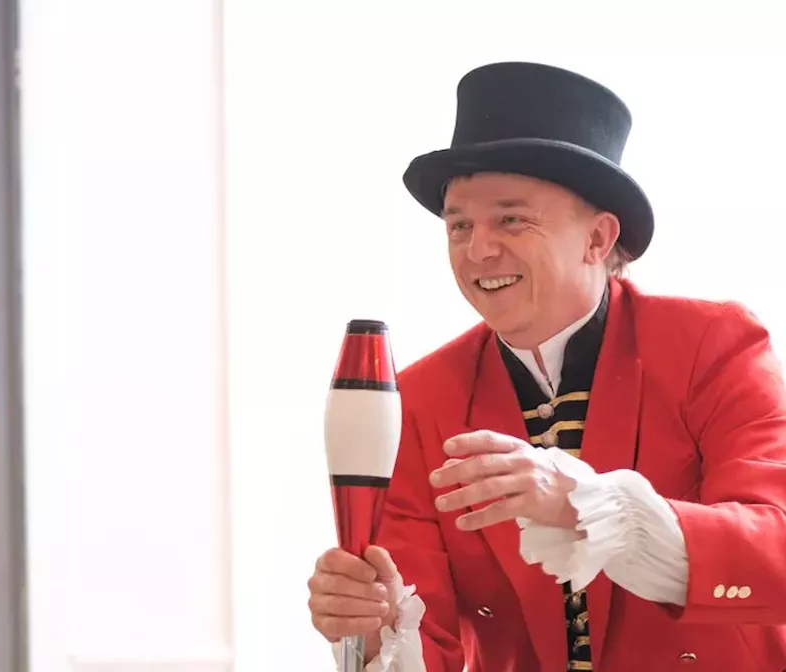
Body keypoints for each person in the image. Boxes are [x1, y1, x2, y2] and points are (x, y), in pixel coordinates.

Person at [306, 61, 786, 671]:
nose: (478, 249)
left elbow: (776, 547)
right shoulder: (423, 397)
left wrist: (584, 503)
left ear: (598, 239)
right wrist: (370, 624)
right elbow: (431, 639)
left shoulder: (712, 344)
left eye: (511, 218)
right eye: (459, 226)